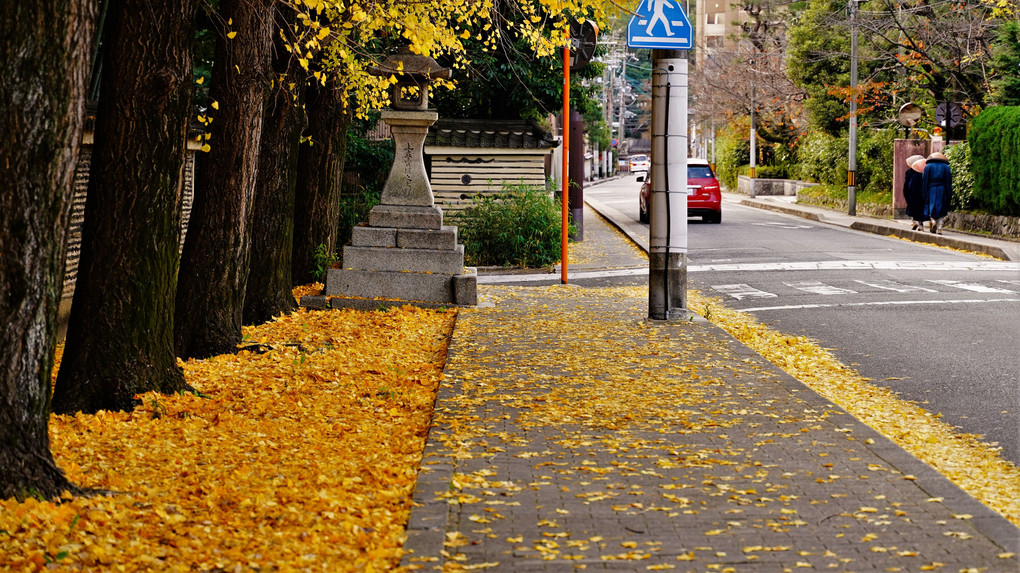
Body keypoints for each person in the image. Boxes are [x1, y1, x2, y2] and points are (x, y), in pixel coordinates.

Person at [921, 151, 952, 235]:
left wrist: (924, 193)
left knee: (931, 206)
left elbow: (924, 181)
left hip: (931, 189)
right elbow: (949, 182)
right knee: (942, 207)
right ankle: (940, 227)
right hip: (942, 189)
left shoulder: (928, 167)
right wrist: (948, 193)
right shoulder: (946, 167)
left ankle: (933, 220)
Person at [903, 155, 927, 231]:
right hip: (922, 193)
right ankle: (920, 225)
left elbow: (906, 185)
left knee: (913, 208)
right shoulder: (925, 172)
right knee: (920, 209)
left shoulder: (910, 172)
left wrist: (906, 194)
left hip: (913, 193)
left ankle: (915, 222)